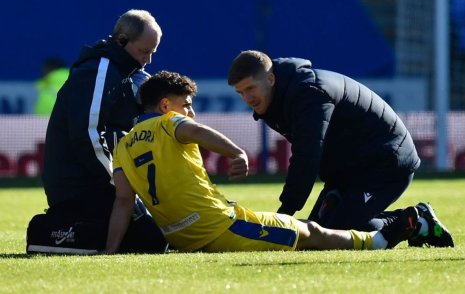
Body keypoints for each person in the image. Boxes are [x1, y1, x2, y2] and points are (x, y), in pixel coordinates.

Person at [104, 70, 420, 254]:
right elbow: (194, 129)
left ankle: (388, 226)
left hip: (179, 236)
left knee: (309, 228)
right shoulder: (169, 122)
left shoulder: (123, 147)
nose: (190, 112)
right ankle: (378, 240)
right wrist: (236, 153)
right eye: (186, 105)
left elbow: (122, 202)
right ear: (165, 105)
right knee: (308, 233)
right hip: (218, 226)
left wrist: (109, 251)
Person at [227, 50, 454, 248]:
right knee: (321, 233)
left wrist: (285, 213)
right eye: (240, 93)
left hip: (387, 164)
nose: (247, 98)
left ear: (271, 78)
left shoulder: (309, 92)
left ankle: (419, 222)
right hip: (352, 170)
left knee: (340, 232)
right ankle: (409, 220)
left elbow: (307, 155)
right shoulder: (276, 97)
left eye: (250, 88)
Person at [37, 9, 167, 253]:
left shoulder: (124, 73)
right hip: (80, 187)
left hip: (98, 182)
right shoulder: (101, 69)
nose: (148, 60)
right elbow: (88, 133)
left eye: (152, 52)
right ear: (121, 41)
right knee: (151, 240)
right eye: (144, 51)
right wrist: (118, 182)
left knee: (167, 231)